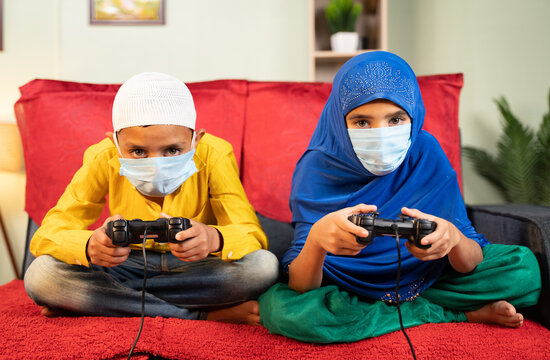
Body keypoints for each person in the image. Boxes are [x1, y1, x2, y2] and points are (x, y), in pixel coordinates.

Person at [258, 51, 541, 342]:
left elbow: (470, 261)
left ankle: (391, 313)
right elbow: (301, 287)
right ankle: (453, 314)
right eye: (362, 122)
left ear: (413, 115)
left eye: (395, 119)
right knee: (282, 310)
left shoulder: (425, 151)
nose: (381, 134)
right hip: (344, 288)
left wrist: (453, 238)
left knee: (524, 270)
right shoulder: (316, 166)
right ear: (338, 122)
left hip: (425, 277)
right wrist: (317, 240)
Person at [24, 72, 279, 326]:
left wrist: (214, 238)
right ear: (115, 144)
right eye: (137, 151)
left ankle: (104, 303)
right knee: (41, 275)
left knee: (263, 267)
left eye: (172, 150)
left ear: (195, 140)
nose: (156, 164)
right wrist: (90, 245)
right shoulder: (102, 157)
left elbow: (252, 235)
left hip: (195, 269)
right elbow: (47, 235)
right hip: (126, 266)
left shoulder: (215, 154)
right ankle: (204, 315)